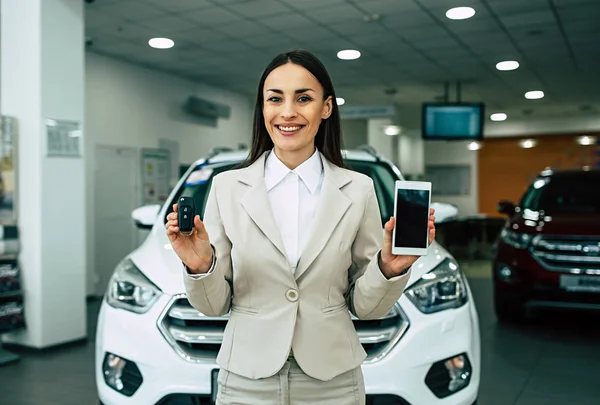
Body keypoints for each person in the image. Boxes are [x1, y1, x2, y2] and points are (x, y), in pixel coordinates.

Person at [166, 49, 436, 405]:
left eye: (304, 98)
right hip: (247, 378)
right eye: (275, 99)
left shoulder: (358, 189)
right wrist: (200, 267)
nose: (288, 112)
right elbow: (214, 306)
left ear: (326, 108)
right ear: (262, 108)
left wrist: (388, 269)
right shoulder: (227, 187)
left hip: (333, 381)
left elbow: (367, 307)